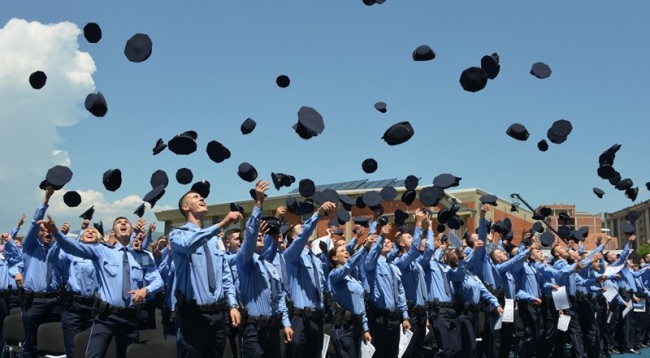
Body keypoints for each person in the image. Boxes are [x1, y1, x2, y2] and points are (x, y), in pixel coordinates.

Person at [43, 214, 164, 358]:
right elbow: (74, 247)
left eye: (126, 222)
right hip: (106, 317)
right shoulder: (102, 251)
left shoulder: (142, 257)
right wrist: (57, 233)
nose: (123, 223)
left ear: (132, 231)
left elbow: (158, 281)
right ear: (113, 233)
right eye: (119, 222)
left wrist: (146, 290)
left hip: (131, 317)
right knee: (93, 355)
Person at [170, 189, 242, 357]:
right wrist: (221, 224)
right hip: (193, 315)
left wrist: (232, 305)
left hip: (218, 315)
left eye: (202, 197)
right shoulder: (177, 235)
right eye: (196, 197)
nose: (202, 198)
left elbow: (225, 275)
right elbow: (189, 245)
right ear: (185, 207)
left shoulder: (214, 240)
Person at [236, 180, 294, 357]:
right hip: (253, 330)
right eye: (257, 236)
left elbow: (279, 296)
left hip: (272, 328)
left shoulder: (268, 263)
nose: (261, 237)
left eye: (263, 235)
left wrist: (286, 323)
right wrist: (259, 204)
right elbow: (250, 237)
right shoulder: (245, 261)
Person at [19, 186, 61, 358]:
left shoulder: (56, 249)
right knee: (31, 344)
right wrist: (46, 199)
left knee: (53, 344)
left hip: (55, 301)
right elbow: (34, 224)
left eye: (48, 230)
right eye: (42, 230)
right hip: (34, 301)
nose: (46, 232)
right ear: (37, 235)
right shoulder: (30, 247)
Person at [48, 220, 100, 357]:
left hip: (95, 306)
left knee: (93, 347)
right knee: (72, 347)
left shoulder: (103, 254)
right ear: (80, 237)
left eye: (94, 231)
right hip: (73, 306)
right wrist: (60, 239)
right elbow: (52, 259)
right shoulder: (71, 253)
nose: (90, 231)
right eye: (87, 231)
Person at [363, 221, 411, 358]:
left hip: (394, 317)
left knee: (393, 353)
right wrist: (381, 236)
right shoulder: (372, 264)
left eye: (390, 242)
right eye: (385, 242)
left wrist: (405, 315)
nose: (389, 243)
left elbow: (400, 292)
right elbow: (372, 256)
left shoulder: (393, 267)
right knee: (380, 354)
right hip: (380, 317)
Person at [328, 233, 376, 357]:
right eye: (342, 250)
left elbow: (360, 306)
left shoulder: (353, 279)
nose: (346, 252)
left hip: (357, 326)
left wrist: (365, 328)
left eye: (346, 250)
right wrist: (364, 248)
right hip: (343, 328)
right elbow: (348, 266)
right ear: (334, 257)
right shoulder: (334, 275)